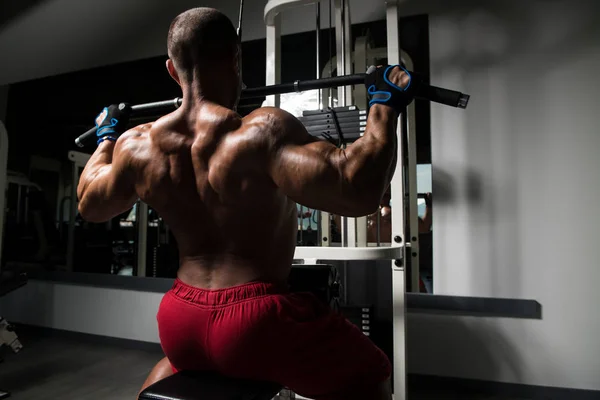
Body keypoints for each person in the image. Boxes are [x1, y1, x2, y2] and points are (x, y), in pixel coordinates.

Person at [76, 8, 415, 400]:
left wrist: (106, 137)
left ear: (172, 69)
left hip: (180, 318)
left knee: (175, 367)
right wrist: (384, 107)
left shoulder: (137, 146)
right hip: (257, 322)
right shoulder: (261, 133)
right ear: (236, 59)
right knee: (372, 374)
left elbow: (89, 203)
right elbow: (359, 187)